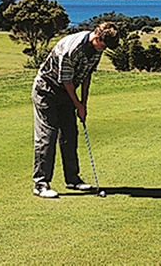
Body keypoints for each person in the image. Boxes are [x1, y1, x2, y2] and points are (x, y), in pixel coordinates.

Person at [31, 21, 119, 198]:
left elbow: (86, 76)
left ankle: (72, 179)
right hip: (46, 90)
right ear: (96, 35)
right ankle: (40, 184)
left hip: (65, 92)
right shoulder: (72, 49)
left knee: (70, 134)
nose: (103, 49)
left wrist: (83, 104)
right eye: (103, 45)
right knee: (47, 137)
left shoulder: (97, 49)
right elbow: (66, 81)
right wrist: (77, 104)